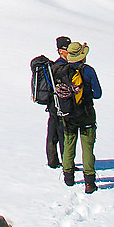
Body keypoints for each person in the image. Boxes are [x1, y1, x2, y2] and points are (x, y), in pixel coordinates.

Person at [60, 41, 102, 193]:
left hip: (68, 114)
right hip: (86, 114)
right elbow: (98, 94)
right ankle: (89, 182)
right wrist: (86, 93)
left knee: (69, 144)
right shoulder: (88, 71)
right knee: (88, 148)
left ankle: (68, 177)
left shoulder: (62, 69)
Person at [46, 36, 70, 168]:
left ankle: (53, 161)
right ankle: (66, 162)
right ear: (60, 50)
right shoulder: (61, 66)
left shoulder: (54, 66)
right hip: (59, 104)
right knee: (62, 133)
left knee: (53, 132)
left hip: (53, 104)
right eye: (66, 49)